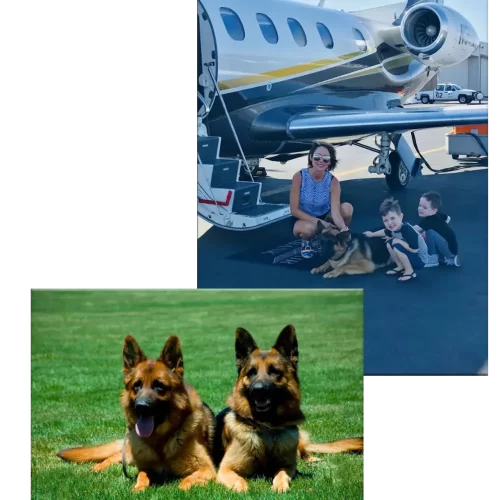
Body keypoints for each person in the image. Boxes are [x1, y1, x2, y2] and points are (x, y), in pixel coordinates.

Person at [289, 141, 353, 258]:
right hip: (304, 217)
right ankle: (306, 241)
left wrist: (343, 227)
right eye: (317, 157)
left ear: (330, 162)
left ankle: (338, 237)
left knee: (347, 208)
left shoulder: (333, 181)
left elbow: (335, 212)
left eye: (326, 159)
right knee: (309, 229)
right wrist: (320, 223)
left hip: (325, 215)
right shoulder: (299, 176)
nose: (321, 161)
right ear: (310, 157)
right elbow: (294, 210)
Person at [363, 197, 429, 282]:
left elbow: (414, 250)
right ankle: (400, 266)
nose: (390, 223)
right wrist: (372, 234)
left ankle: (410, 271)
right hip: (412, 254)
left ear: (400, 216)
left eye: (392, 218)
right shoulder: (394, 229)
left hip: (420, 259)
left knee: (397, 245)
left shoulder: (406, 229)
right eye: (385, 220)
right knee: (389, 243)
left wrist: (398, 241)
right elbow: (384, 231)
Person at [413, 191, 460, 268]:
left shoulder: (428, 221)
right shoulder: (438, 215)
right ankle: (444, 257)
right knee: (428, 234)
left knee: (429, 233)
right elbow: (448, 218)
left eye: (424, 207)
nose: (420, 209)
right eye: (420, 205)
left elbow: (414, 230)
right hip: (452, 248)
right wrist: (442, 229)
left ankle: (433, 258)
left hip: (449, 250)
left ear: (434, 210)